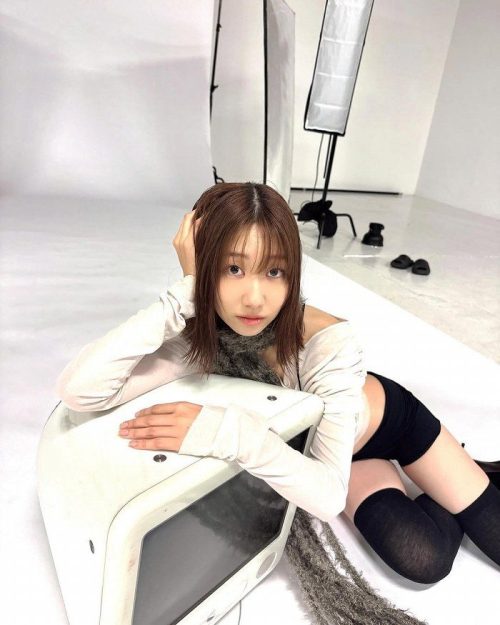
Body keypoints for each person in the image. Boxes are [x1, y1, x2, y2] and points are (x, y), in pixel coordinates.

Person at [56, 182, 499, 612]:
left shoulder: (328, 340)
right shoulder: (201, 336)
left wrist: (228, 434)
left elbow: (326, 498)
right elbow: (81, 390)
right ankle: (449, 478)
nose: (255, 298)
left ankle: (459, 464)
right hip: (340, 457)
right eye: (232, 269)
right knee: (424, 561)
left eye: (274, 271)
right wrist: (182, 295)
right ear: (203, 264)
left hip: (390, 425)